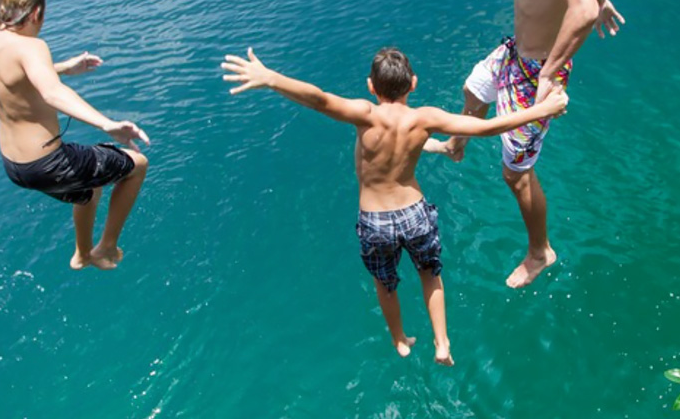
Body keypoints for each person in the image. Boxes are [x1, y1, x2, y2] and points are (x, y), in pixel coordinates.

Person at [222, 47, 568, 363]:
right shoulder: (424, 119)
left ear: (371, 86)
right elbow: (489, 127)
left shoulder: (366, 114)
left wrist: (271, 79)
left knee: (386, 283)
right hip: (414, 214)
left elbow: (319, 99)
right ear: (413, 84)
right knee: (430, 275)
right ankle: (442, 343)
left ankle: (401, 340)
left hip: (376, 221)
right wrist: (542, 109)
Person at [424, 0, 624, 289]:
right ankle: (456, 147)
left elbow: (582, 10)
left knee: (515, 175)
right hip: (516, 54)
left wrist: (551, 73)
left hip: (537, 71)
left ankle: (541, 252)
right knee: (474, 88)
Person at [0, 0, 149, 271]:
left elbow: (17, 76)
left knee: (89, 187)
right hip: (48, 163)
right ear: (36, 14)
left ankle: (82, 255)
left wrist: (65, 67)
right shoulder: (32, 47)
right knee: (137, 164)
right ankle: (106, 247)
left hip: (15, 166)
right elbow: (52, 92)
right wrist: (106, 123)